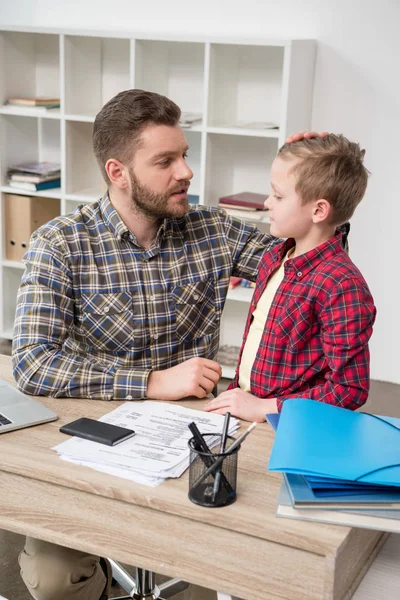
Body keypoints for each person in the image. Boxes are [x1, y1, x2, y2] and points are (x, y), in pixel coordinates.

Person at [12, 89, 316, 600]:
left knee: (244, 565)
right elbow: (32, 363)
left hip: (199, 441)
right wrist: (151, 383)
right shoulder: (60, 244)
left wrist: (313, 189)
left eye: (185, 156)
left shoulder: (213, 230)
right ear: (118, 172)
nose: (186, 172)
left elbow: (310, 271)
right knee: (52, 577)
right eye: (165, 161)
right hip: (100, 443)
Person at [204, 134, 376, 423]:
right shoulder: (274, 256)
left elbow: (348, 388)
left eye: (279, 195)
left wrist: (266, 408)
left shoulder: (343, 286)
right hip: (240, 411)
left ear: (319, 210)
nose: (267, 202)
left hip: (285, 426)